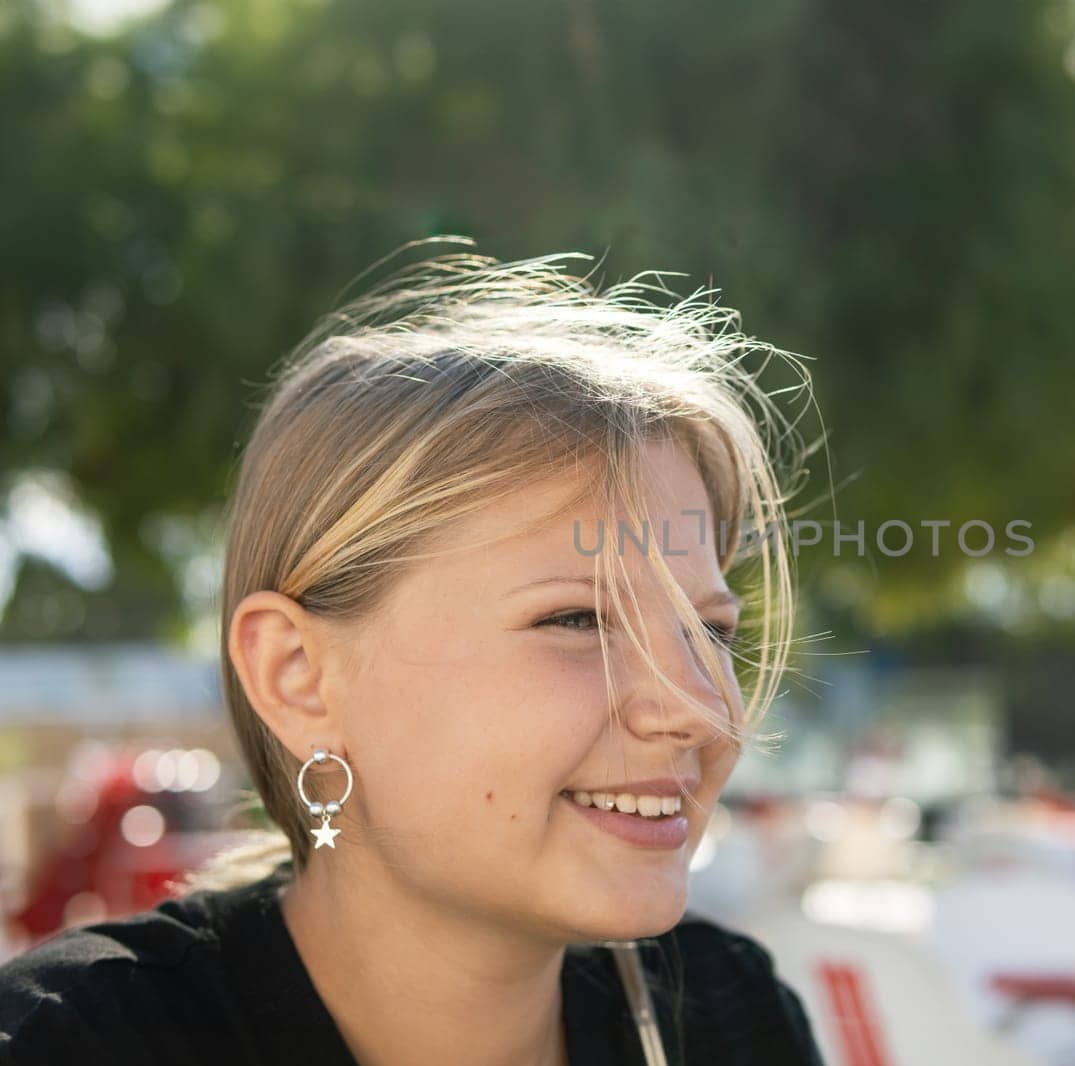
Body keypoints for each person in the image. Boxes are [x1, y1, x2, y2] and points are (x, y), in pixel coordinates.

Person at [0, 243, 827, 1066]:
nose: (696, 705)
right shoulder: (72, 1045)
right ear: (299, 678)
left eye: (709, 633)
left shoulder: (731, 1018)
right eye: (579, 619)